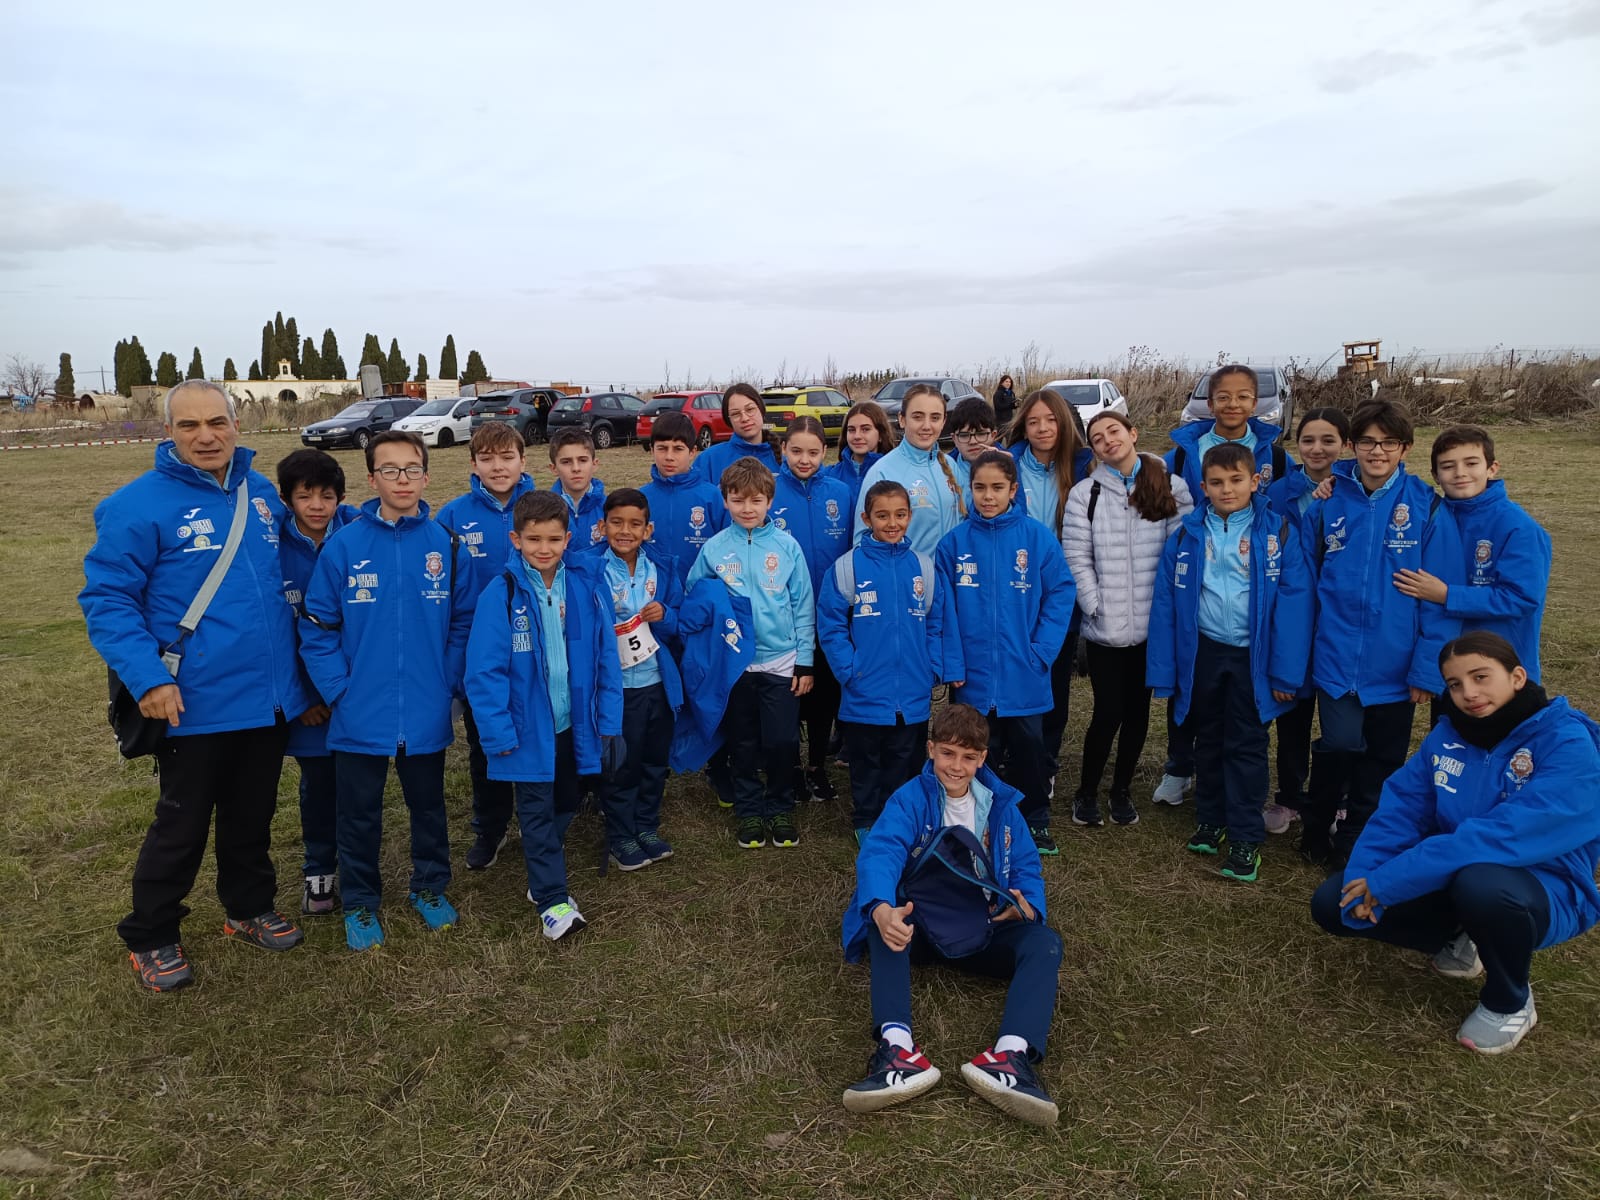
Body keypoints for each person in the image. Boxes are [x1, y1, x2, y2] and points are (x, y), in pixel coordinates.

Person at [80, 380, 312, 991]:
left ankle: (247, 907)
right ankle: (152, 935)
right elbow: (107, 600)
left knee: (253, 814)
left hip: (267, 698)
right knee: (181, 825)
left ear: (237, 425)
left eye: (217, 422)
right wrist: (148, 678)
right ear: (169, 432)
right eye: (189, 426)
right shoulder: (136, 506)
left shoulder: (262, 495)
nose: (206, 436)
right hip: (193, 702)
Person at [1311, 632, 1600, 1055]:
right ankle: (1466, 936)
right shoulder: (1447, 737)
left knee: (1483, 884)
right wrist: (1365, 876)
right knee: (1334, 903)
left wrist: (1393, 881)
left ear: (1517, 676)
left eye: (1481, 677)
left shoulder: (1566, 743)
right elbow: (1401, 810)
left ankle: (1510, 1001)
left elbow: (1505, 834)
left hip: (1544, 888)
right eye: (1455, 684)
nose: (1469, 693)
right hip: (1456, 869)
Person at [840, 704, 1060, 1126]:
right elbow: (881, 852)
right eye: (947, 754)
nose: (956, 766)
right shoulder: (910, 798)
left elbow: (1028, 868)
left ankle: (1010, 1058)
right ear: (930, 750)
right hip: (920, 928)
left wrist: (1026, 906)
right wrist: (882, 908)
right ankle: (896, 1051)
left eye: (968, 757)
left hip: (983, 927)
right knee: (882, 925)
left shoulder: (1003, 807)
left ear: (982, 758)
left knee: (1045, 943)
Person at [299, 431, 473, 951]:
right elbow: (317, 626)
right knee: (358, 814)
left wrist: (446, 682)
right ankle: (359, 902)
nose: (402, 479)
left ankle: (430, 887)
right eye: (390, 470)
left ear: (426, 474)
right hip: (359, 711)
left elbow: (462, 622)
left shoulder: (445, 543)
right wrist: (338, 690)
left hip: (425, 707)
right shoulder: (344, 545)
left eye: (412, 469)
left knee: (429, 808)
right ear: (371, 478)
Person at [1147, 444, 1315, 882]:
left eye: (1236, 480)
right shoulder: (1186, 535)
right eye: (1217, 483)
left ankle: (1244, 835)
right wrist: (1166, 672)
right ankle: (1211, 818)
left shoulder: (1277, 532)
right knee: (1208, 736)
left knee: (1246, 743)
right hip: (1205, 653)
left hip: (1253, 658)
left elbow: (1296, 606)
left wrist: (1285, 672)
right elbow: (1166, 605)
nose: (1227, 489)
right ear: (1204, 487)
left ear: (1255, 481)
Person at [464, 491, 623, 940]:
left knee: (567, 802)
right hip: (527, 729)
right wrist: (497, 732)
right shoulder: (502, 593)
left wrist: (607, 721)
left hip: (574, 726)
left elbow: (605, 659)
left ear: (568, 538)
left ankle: (541, 857)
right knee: (534, 810)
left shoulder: (587, 587)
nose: (544, 548)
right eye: (534, 539)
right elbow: (484, 672)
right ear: (516, 539)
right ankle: (552, 898)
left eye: (554, 538)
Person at [1300, 399, 1438, 869]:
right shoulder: (1327, 500)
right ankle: (1316, 825)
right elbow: (1305, 581)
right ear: (1352, 445)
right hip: (1338, 655)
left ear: (1405, 448)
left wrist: (1425, 666)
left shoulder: (1427, 506)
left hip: (1396, 662)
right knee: (1338, 744)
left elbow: (1436, 602)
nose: (1377, 452)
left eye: (1388, 443)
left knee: (1383, 756)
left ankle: (1357, 837)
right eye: (1367, 442)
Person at [1155, 364, 1292, 807]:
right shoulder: (1185, 451)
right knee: (1192, 682)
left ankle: (1242, 780)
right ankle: (1181, 766)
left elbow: (1283, 506)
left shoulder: (1272, 452)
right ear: (1208, 402)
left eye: (1243, 397)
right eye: (1223, 397)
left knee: (1242, 703)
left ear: (1257, 403)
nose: (1233, 405)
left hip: (1249, 569)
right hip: (1197, 562)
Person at [935, 451, 1075, 854]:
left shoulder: (1036, 538)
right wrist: (953, 662)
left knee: (1030, 747)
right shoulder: (954, 544)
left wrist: (1042, 649)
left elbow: (1062, 591)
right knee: (980, 750)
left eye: (997, 488)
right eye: (980, 487)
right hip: (973, 675)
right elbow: (943, 612)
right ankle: (985, 818)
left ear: (1013, 490)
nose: (988, 496)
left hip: (1024, 669)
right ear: (969, 489)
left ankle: (1034, 817)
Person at [1062, 412, 1193, 828]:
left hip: (1154, 628)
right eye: (1097, 438)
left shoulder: (1170, 485)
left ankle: (1121, 791)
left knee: (1139, 714)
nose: (1107, 441)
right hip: (1107, 628)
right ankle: (1086, 792)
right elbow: (1076, 556)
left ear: (1133, 433)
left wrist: (1170, 610)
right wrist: (1094, 602)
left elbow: (1183, 551)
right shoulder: (1087, 494)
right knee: (1107, 712)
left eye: (1113, 431)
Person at [685, 457, 815, 848]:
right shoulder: (713, 549)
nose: (747, 508)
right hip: (735, 663)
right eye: (738, 500)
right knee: (742, 741)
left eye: (755, 500)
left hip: (781, 660)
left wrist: (805, 660)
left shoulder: (787, 547)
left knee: (780, 741)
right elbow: (697, 597)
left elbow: (803, 605)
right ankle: (749, 812)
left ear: (770, 501)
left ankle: (779, 807)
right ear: (725, 500)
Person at [436, 422, 538, 872]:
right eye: (488, 458)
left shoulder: (541, 507)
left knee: (541, 734)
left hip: (536, 649)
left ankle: (545, 820)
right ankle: (490, 827)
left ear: (523, 460)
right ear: (473, 463)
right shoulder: (453, 516)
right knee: (485, 745)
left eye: (507, 457)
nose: (499, 467)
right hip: (483, 657)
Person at [817, 480, 941, 842]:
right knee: (866, 760)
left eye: (900, 515)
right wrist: (848, 669)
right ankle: (865, 818)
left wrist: (931, 667)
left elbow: (936, 621)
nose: (892, 523)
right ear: (866, 517)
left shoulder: (924, 568)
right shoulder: (846, 568)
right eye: (882, 515)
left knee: (905, 758)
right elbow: (832, 625)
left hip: (913, 691)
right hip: (864, 690)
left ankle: (901, 818)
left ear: (910, 516)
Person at [1402, 426, 1553, 701]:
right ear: (1435, 475)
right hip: (1453, 667)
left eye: (1471, 463)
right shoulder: (1431, 519)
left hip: (1503, 669)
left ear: (1492, 468)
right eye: (1448, 466)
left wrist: (1448, 595)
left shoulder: (1518, 527)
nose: (1460, 473)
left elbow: (1522, 598)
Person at [275, 448, 361, 915]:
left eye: (326, 496)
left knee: (358, 786)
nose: (316, 505)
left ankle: (358, 866)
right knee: (319, 785)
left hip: (353, 692)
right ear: (287, 498)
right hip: (308, 701)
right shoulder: (271, 548)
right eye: (304, 495)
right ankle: (318, 870)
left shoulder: (356, 536)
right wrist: (303, 697)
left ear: (341, 498)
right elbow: (278, 634)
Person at [1261, 408, 1351, 835]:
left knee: (1340, 718)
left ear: (1345, 445)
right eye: (1308, 440)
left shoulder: (1354, 492)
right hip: (1291, 612)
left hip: (1339, 617)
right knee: (1292, 711)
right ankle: (1289, 795)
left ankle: (1337, 797)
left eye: (1328, 440)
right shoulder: (1279, 492)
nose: (1318, 449)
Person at [1005, 388, 1093, 798]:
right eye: (1034, 420)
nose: (1042, 429)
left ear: (1065, 424)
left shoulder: (1083, 466)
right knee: (1009, 673)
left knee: (1053, 681)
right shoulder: (1006, 465)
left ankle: (1046, 761)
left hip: (1060, 591)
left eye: (1051, 420)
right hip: (1012, 591)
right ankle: (1006, 754)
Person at [592, 488, 683, 870]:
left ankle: (646, 826)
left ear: (648, 530)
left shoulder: (662, 566)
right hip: (617, 690)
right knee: (621, 765)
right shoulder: (588, 568)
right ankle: (620, 835)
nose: (624, 531)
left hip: (657, 684)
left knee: (653, 760)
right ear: (602, 526)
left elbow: (680, 618)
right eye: (616, 523)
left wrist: (666, 614)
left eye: (634, 524)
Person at [773, 417, 854, 803]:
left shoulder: (841, 492)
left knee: (825, 698)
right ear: (783, 450)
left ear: (825, 452)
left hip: (833, 618)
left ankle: (817, 766)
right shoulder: (769, 492)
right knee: (789, 698)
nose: (804, 459)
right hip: (782, 619)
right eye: (796, 451)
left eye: (813, 452)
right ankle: (787, 768)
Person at [853, 384, 966, 559]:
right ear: (902, 419)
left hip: (950, 579)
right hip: (910, 582)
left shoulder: (951, 466)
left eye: (935, 418)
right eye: (918, 417)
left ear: (944, 422)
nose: (927, 426)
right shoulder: (882, 472)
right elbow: (862, 542)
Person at [640, 410, 727, 589]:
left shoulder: (713, 497)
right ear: (652, 450)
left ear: (693, 451)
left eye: (678, 449)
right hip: (652, 600)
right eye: (662, 448)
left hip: (699, 598)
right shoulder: (640, 499)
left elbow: (728, 550)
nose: (669, 457)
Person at [696, 382, 779, 487]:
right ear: (728, 420)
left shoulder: (786, 459)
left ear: (761, 409)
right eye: (735, 414)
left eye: (750, 409)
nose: (745, 418)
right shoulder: (709, 460)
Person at [828, 400, 895, 518]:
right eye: (851, 430)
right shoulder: (830, 475)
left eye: (865, 429)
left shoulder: (893, 474)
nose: (857, 436)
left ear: (880, 435)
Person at [549, 426, 607, 549]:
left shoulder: (609, 510)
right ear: (554, 468)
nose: (576, 468)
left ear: (594, 464)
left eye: (582, 460)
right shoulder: (544, 511)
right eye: (566, 462)